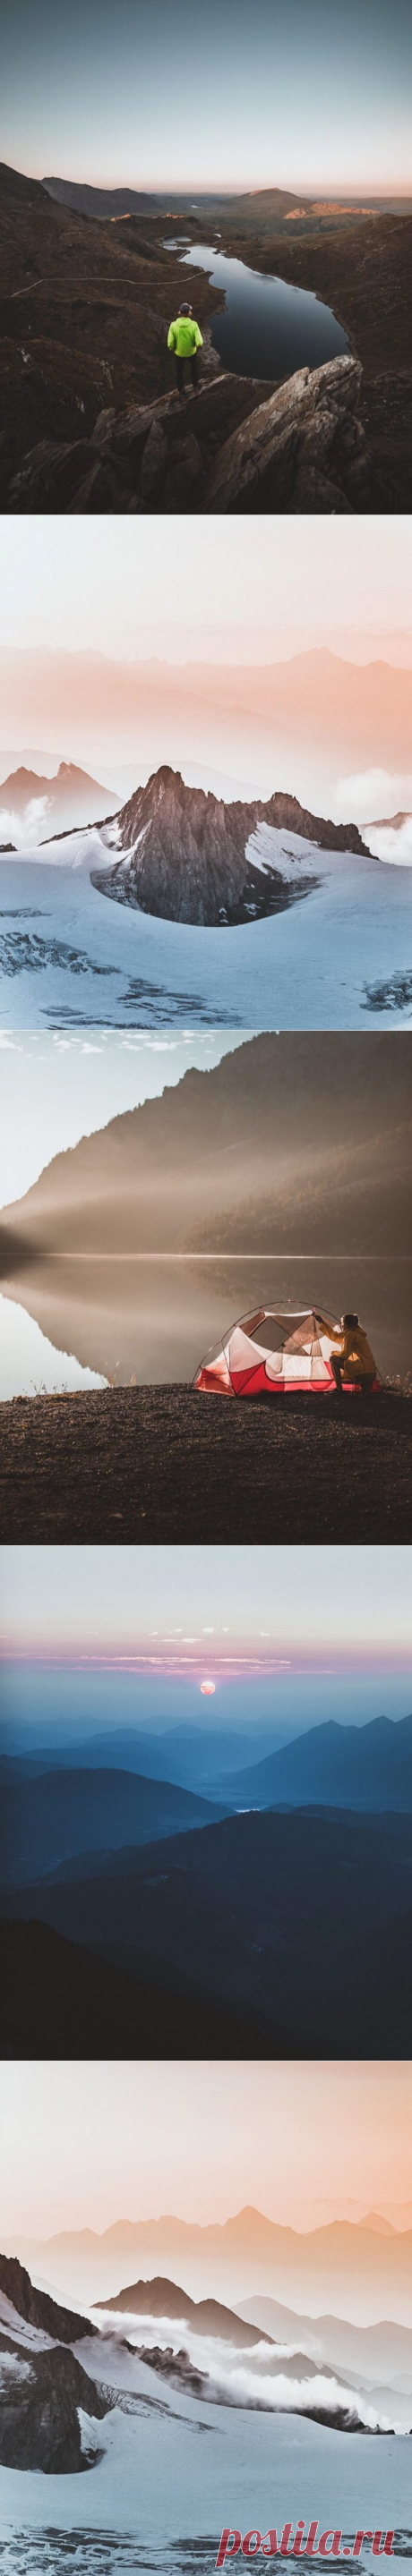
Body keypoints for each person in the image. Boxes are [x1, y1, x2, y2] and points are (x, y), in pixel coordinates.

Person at [328, 1314, 376, 1397]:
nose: (341, 1325)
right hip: (371, 1372)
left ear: (346, 1324)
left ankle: (339, 1389)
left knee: (333, 1359)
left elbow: (345, 1355)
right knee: (346, 1370)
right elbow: (336, 1337)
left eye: (342, 1323)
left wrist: (334, 1353)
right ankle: (365, 1387)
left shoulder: (350, 1335)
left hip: (363, 1372)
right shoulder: (358, 1333)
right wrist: (322, 1323)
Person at [167, 302, 203, 395]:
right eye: (190, 310)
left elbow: (170, 344)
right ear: (188, 313)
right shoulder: (194, 325)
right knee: (194, 369)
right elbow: (199, 342)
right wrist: (196, 346)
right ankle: (195, 386)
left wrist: (174, 349)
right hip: (192, 353)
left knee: (179, 372)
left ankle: (182, 391)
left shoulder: (173, 325)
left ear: (180, 312)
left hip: (179, 354)